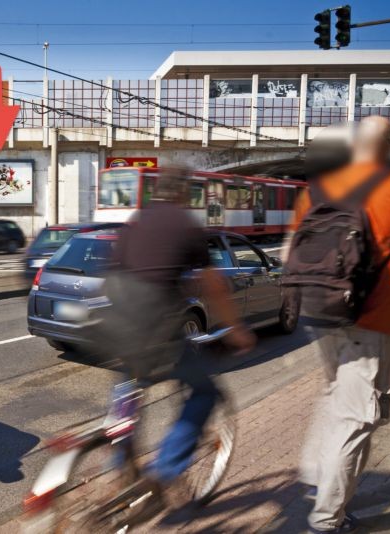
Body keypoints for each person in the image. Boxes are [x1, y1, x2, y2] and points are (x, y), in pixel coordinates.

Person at [292, 116, 390, 533]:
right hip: (369, 319)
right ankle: (326, 519)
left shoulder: (316, 190)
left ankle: (318, 481)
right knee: (357, 418)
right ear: (389, 143)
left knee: (337, 396)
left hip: (320, 315)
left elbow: (296, 251)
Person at [104, 166, 255, 494]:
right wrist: (236, 329)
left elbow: (113, 273)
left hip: (116, 326)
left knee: (129, 384)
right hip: (157, 330)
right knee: (204, 392)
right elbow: (214, 284)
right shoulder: (186, 225)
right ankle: (164, 472)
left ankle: (119, 466)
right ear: (186, 193)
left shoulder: (136, 222)